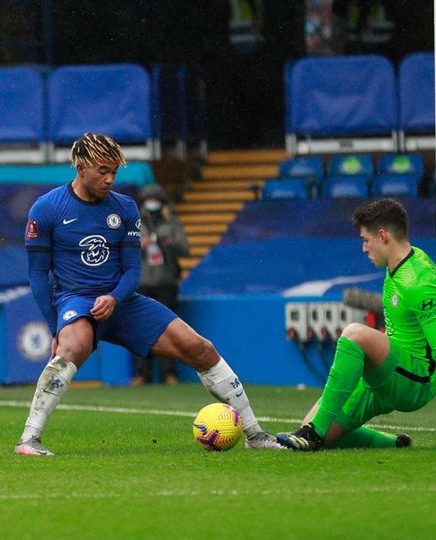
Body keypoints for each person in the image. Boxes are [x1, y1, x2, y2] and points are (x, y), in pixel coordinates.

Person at [15, 132, 281, 456]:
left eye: (114, 172)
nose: (110, 179)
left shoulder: (125, 209)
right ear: (81, 166)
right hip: (77, 300)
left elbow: (133, 271)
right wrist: (55, 325)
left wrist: (114, 298)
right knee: (73, 346)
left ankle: (255, 433)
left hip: (123, 300)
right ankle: (29, 439)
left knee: (200, 348)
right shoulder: (46, 209)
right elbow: (38, 274)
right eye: (103, 171)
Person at [276, 198, 436, 451]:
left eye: (366, 240)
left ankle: (313, 433)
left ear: (382, 236)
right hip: (387, 373)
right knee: (318, 430)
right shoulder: (396, 265)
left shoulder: (420, 282)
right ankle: (390, 442)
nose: (363, 248)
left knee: (354, 334)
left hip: (415, 381)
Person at [132, 183, 189, 385]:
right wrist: (139, 245)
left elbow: (185, 248)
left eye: (155, 200)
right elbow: (122, 248)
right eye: (148, 200)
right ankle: (141, 373)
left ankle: (169, 373)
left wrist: (170, 244)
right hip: (141, 282)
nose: (152, 203)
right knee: (140, 329)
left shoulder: (171, 222)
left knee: (169, 328)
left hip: (166, 282)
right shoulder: (135, 223)